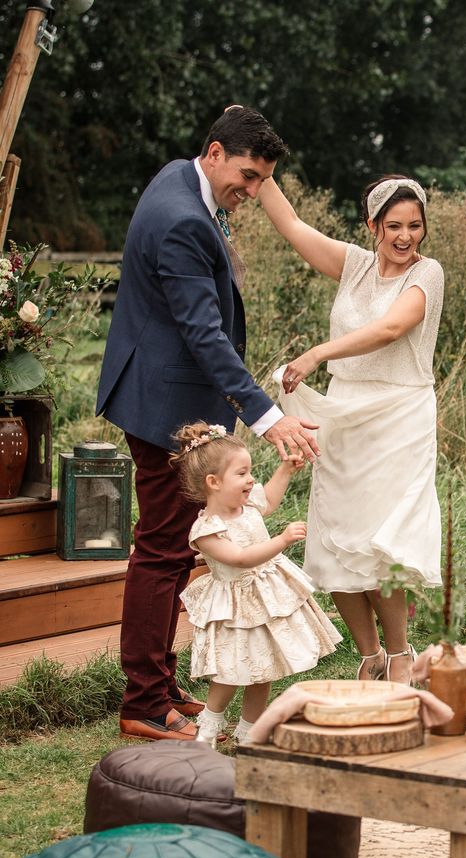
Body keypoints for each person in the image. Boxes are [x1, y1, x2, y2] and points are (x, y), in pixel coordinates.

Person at [96, 107, 321, 742]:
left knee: (169, 550)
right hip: (166, 405)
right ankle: (143, 700)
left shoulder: (181, 176)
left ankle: (162, 685)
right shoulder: (180, 220)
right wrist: (268, 417)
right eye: (247, 177)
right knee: (163, 552)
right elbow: (203, 334)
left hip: (164, 390)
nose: (251, 193)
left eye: (261, 182)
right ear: (216, 153)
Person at [259, 173, 444, 684]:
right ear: (373, 225)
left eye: (414, 226)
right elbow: (292, 226)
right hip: (344, 414)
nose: (405, 237)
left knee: (383, 538)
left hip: (400, 415)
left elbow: (390, 329)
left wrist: (318, 351)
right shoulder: (354, 265)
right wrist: (264, 171)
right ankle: (370, 656)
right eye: (393, 226)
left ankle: (402, 653)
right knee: (337, 533)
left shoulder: (427, 274)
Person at [170, 422, 341, 747]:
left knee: (266, 667)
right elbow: (240, 558)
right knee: (230, 671)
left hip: (267, 600)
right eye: (242, 473)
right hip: (235, 608)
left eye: (251, 472)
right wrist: (281, 540)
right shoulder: (207, 529)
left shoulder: (247, 506)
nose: (251, 480)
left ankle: (250, 729)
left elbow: (271, 499)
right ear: (214, 482)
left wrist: (285, 470)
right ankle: (209, 725)